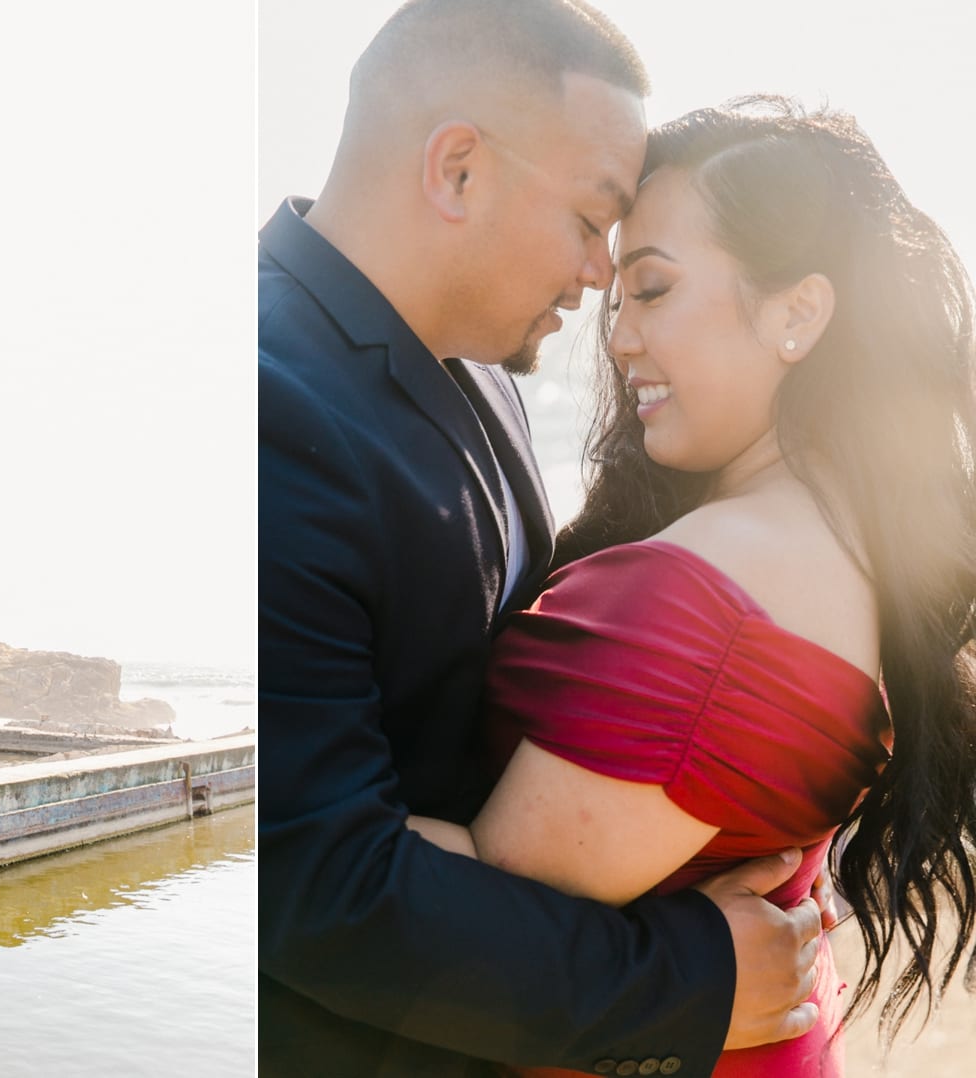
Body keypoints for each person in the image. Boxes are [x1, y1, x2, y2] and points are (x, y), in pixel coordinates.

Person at [259, 2, 826, 1074]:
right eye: (590, 219)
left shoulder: (485, 362)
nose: (604, 276)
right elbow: (313, 884)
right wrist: (687, 981)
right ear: (458, 169)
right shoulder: (264, 408)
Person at [410, 97, 976, 1074]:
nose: (618, 335)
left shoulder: (704, 597)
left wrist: (291, 802)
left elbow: (471, 922)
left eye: (655, 288)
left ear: (797, 312)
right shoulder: (851, 547)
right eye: (618, 298)